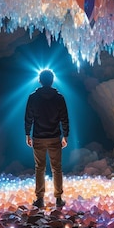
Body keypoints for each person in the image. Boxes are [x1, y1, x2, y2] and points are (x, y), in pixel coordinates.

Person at [24, 69, 69, 208]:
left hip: (38, 137)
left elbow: (28, 117)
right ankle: (59, 199)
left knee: (39, 168)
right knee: (57, 168)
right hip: (55, 137)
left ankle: (40, 199)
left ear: (39, 80)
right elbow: (64, 118)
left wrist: (27, 134)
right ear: (52, 80)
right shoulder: (59, 98)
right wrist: (65, 135)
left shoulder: (33, 97)